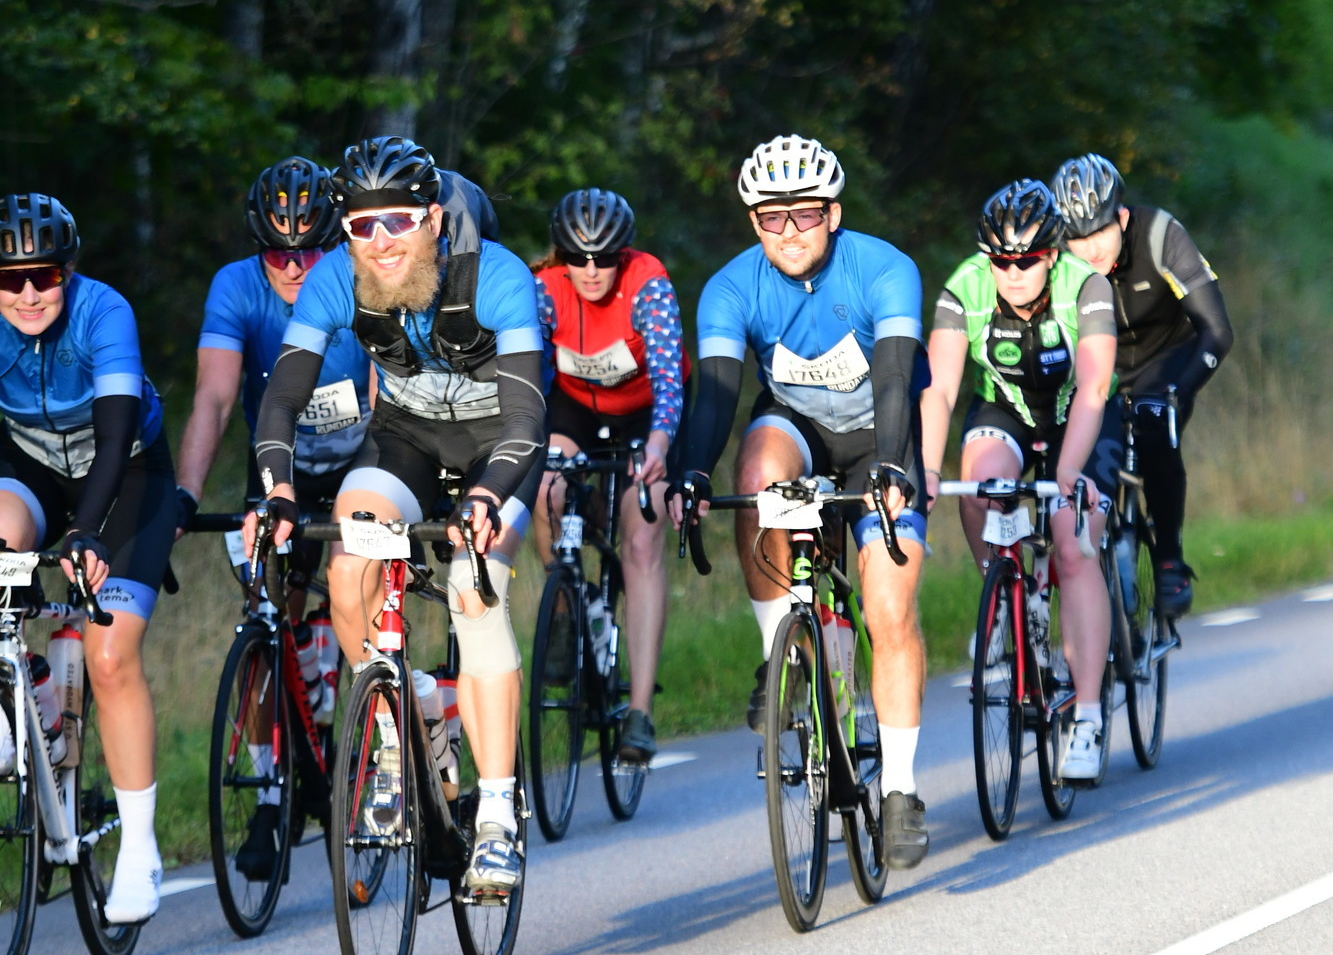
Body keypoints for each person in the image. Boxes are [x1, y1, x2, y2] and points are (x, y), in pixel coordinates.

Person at [248, 136, 546, 896]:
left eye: (399, 222)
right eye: (362, 225)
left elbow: (526, 422)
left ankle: (497, 818)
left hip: (497, 446)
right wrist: (278, 489)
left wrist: (486, 497)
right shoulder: (332, 280)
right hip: (405, 440)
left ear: (433, 221)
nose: (380, 242)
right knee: (349, 568)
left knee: (473, 589)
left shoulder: (498, 276)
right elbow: (281, 400)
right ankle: (395, 737)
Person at [670, 133, 932, 868]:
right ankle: (778, 657)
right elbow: (715, 394)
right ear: (752, 222)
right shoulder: (730, 287)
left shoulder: (884, 268)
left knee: (888, 610)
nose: (788, 231)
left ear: (833, 214)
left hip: (881, 435)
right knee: (755, 472)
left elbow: (894, 377)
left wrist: (892, 466)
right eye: (771, 217)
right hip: (799, 429)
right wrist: (691, 473)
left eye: (806, 214)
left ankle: (900, 790)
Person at [176, 157, 373, 880]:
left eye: (308, 252)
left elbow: (387, 393)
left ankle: (365, 739)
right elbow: (214, 398)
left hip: (360, 456)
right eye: (276, 253)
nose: (292, 267)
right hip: (280, 464)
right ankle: (269, 787)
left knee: (356, 589)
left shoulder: (361, 277)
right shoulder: (236, 287)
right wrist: (185, 496)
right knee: (264, 611)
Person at [0, 193, 176, 922]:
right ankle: (22, 685)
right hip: (33, 470)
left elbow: (113, 437)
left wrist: (86, 533)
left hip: (127, 471)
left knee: (108, 655)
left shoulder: (105, 312)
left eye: (44, 276)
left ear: (67, 273)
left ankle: (139, 848)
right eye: (10, 280)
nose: (28, 294)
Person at [919, 178, 1118, 780]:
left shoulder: (1086, 287)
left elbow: (1095, 388)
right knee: (980, 486)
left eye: (1026, 260)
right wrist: (927, 469)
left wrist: (1067, 471)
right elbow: (941, 389)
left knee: (1072, 539)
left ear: (1051, 254)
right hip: (1005, 408)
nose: (1012, 273)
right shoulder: (965, 287)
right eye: (1000, 261)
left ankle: (1088, 716)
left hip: (1076, 413)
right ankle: (1004, 592)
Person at [532, 188, 689, 765]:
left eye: (605, 258)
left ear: (623, 254)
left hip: (646, 412)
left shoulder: (648, 284)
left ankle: (640, 712)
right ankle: (565, 609)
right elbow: (530, 376)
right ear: (563, 256)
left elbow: (669, 380)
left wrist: (659, 446)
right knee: (547, 487)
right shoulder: (545, 287)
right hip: (576, 407)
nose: (592, 270)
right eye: (579, 258)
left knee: (642, 536)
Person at [1050, 153, 1233, 616]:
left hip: (1166, 358)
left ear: (1122, 218)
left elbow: (1217, 331)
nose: (1090, 249)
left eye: (1099, 232)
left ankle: (1170, 559)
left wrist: (1179, 393)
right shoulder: (1057, 260)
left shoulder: (1159, 235)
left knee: (1155, 427)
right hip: (1099, 369)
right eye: (1077, 238)